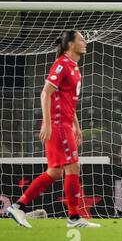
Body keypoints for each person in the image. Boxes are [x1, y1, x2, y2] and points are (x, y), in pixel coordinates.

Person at [7, 30, 100, 228]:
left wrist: (76, 123)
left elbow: (67, 100)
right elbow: (45, 93)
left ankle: (18, 206)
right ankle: (74, 217)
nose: (85, 42)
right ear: (70, 45)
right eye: (81, 39)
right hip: (57, 125)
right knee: (73, 167)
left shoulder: (74, 67)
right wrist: (48, 124)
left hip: (66, 124)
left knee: (55, 172)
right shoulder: (61, 64)